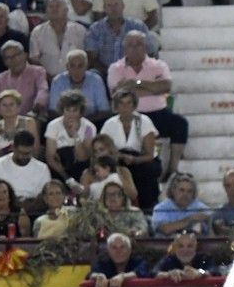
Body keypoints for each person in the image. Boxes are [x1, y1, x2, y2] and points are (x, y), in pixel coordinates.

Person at [108, 31, 189, 181]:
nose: (135, 48)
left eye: (139, 44)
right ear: (124, 48)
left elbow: (165, 87)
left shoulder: (158, 65)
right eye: (130, 45)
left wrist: (136, 84)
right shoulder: (115, 68)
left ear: (145, 47)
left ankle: (172, 170)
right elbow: (117, 93)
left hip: (158, 113)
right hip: (130, 116)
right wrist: (152, 88)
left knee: (180, 123)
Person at [99, 88, 161, 209]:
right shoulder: (109, 124)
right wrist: (119, 156)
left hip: (141, 159)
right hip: (117, 159)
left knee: (147, 171)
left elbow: (149, 154)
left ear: (134, 105)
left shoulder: (144, 121)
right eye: (121, 103)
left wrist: (134, 159)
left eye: (129, 103)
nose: (125, 107)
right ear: (116, 106)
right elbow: (104, 150)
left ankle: (147, 207)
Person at [85, 0, 159, 76]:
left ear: (123, 6)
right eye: (109, 5)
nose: (113, 8)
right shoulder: (95, 29)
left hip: (134, 73)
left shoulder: (138, 26)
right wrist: (112, 72)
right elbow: (91, 58)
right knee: (93, 74)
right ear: (104, 8)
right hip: (105, 74)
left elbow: (150, 52)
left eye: (116, 4)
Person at [0, 130, 52, 212]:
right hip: (5, 208)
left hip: (33, 209)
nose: (24, 157)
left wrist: (28, 206)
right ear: (13, 148)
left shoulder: (42, 168)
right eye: (21, 153)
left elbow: (46, 194)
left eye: (28, 153)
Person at [29, 0, 87, 81]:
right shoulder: (37, 32)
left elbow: (85, 58)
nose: (54, 9)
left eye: (57, 6)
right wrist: (48, 78)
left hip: (75, 80)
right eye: (50, 6)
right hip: (46, 80)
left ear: (66, 10)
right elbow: (34, 60)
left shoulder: (80, 30)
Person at [0, 41, 50, 121]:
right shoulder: (1, 78)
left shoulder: (38, 71)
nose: (13, 60)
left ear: (25, 55)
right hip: (7, 119)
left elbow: (43, 91)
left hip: (33, 116)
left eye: (16, 55)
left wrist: (36, 108)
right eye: (8, 57)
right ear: (4, 62)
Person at [45, 91, 96, 183]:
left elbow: (83, 157)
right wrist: (67, 178)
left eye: (75, 110)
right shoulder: (53, 126)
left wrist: (75, 134)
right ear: (62, 110)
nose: (71, 114)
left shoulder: (89, 128)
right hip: (59, 169)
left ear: (81, 111)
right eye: (67, 110)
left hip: (81, 169)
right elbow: (50, 157)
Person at [50, 49, 111, 124]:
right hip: (63, 124)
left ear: (86, 66)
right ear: (67, 67)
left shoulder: (96, 80)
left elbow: (104, 111)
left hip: (92, 122)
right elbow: (53, 110)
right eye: (72, 66)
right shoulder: (57, 81)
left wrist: (82, 123)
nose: (76, 70)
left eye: (80, 66)